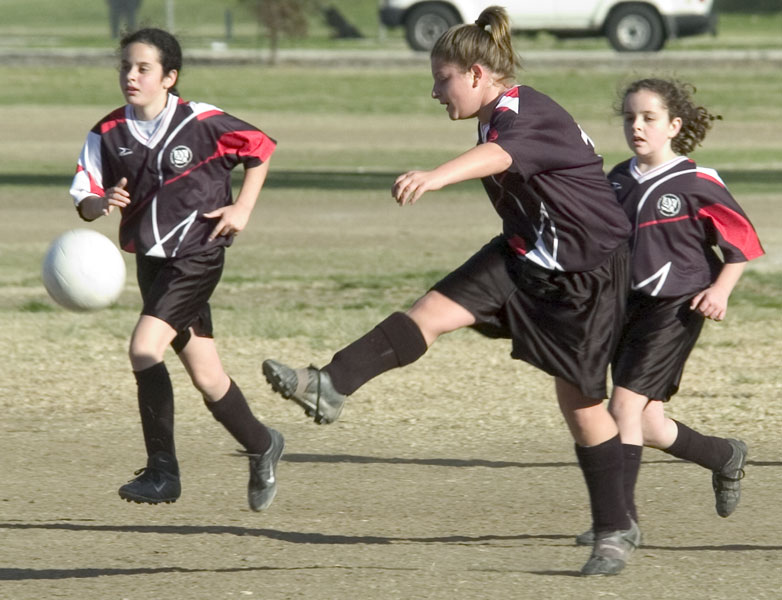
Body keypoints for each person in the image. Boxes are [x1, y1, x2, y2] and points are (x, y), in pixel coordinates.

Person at [263, 6, 638, 576]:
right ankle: (329, 384)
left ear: (477, 75)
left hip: (585, 274)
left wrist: (434, 175)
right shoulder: (493, 115)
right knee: (431, 313)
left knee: (581, 407)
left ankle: (615, 528)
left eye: (443, 79)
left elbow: (502, 156)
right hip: (524, 252)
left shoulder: (527, 110)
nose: (435, 91)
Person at [69, 28, 283, 512]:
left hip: (197, 256)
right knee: (208, 376)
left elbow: (260, 148)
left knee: (144, 348)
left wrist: (243, 208)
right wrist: (101, 202)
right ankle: (263, 443)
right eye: (126, 67)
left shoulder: (201, 121)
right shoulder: (107, 132)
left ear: (169, 77)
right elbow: (84, 198)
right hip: (152, 263)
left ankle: (162, 471)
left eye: (143, 68)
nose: (131, 76)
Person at [576, 78, 764, 546]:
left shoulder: (698, 182)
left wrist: (720, 290)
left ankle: (619, 521)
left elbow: (742, 243)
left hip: (677, 307)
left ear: (674, 126)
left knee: (622, 407)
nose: (636, 127)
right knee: (647, 423)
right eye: (629, 118)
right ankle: (724, 455)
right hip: (627, 309)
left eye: (649, 118)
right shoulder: (617, 179)